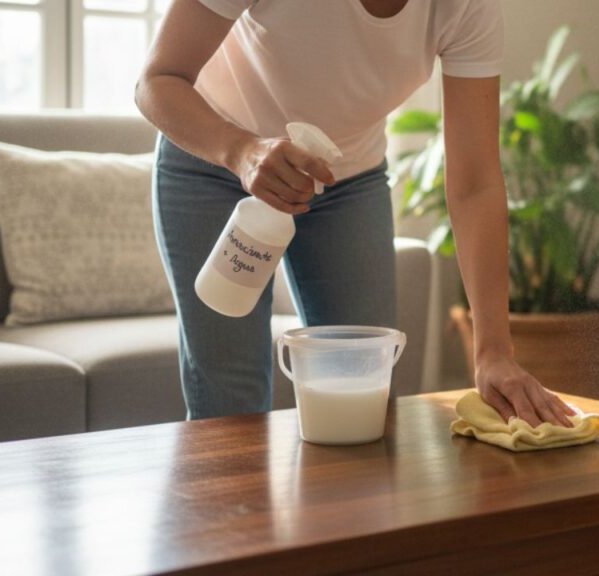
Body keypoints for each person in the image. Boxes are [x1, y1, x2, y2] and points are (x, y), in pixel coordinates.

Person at [135, 0, 575, 428]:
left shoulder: (467, 6)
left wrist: (493, 351)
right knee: (231, 412)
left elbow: (475, 182)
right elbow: (157, 80)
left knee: (365, 400)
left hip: (346, 183)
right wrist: (242, 152)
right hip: (215, 164)